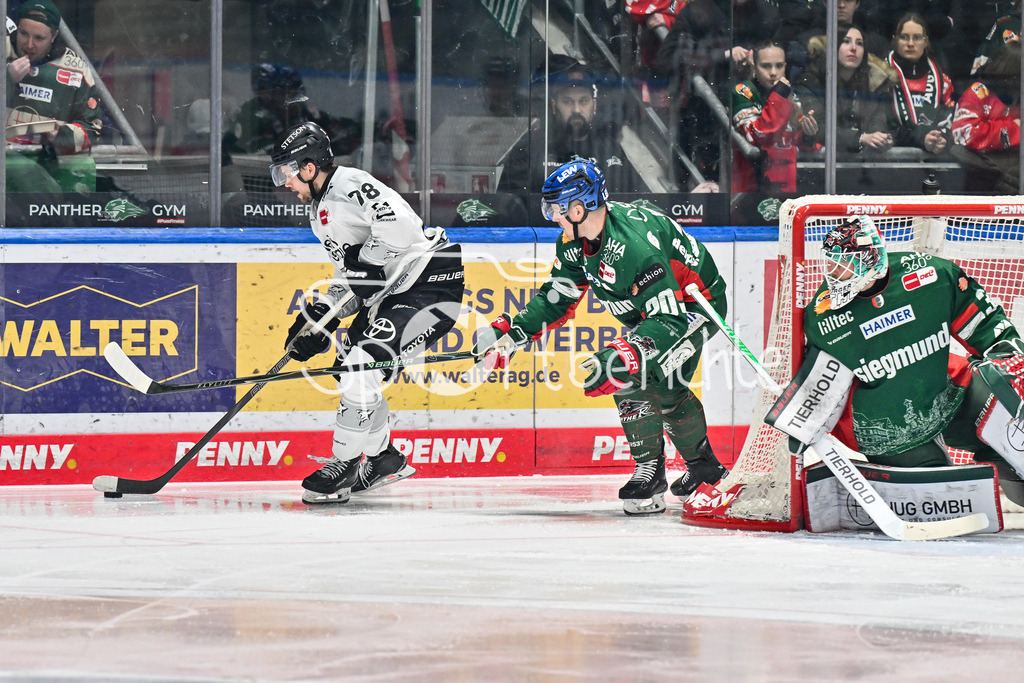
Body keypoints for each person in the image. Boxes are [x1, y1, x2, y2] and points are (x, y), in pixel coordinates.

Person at [473, 159, 730, 516]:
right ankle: (706, 471)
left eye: (557, 210)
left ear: (579, 209)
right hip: (651, 312)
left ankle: (650, 475)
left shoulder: (635, 249)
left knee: (627, 371)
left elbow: (669, 318)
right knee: (665, 386)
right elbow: (558, 298)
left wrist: (628, 353)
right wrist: (513, 335)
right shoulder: (574, 242)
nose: (553, 219)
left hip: (694, 306)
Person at [269, 121, 465, 504]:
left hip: (429, 285)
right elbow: (355, 279)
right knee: (353, 371)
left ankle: (343, 465)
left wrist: (366, 261)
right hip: (390, 295)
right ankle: (383, 458)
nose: (284, 183)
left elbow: (401, 230)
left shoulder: (351, 184)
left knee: (361, 363)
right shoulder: (318, 211)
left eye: (286, 172)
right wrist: (319, 318)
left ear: (309, 168)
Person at [779, 216, 1024, 504]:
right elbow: (821, 383)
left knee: (1006, 397)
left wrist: (1008, 357)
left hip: (946, 392)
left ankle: (1004, 464)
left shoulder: (931, 275)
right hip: (889, 425)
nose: (833, 272)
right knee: (940, 498)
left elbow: (984, 324)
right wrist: (802, 421)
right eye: (831, 263)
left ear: (871, 258)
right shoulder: (823, 318)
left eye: (843, 263)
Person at [5, 0, 103, 193]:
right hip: (6, 158)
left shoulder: (76, 69)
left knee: (82, 168)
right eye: (24, 34)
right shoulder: (3, 51)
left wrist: (60, 134)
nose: (29, 45)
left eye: (39, 38)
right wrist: (6, 79)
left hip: (49, 160)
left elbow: (92, 128)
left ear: (54, 36)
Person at [526, 58, 647, 193]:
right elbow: (511, 204)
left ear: (594, 106)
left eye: (583, 101)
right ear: (554, 107)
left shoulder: (612, 150)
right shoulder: (534, 148)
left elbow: (636, 203)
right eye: (567, 101)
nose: (576, 110)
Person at [795, 24, 895, 157]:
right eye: (846, 42)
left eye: (859, 43)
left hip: (863, 167)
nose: (853, 48)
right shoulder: (812, 80)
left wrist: (880, 138)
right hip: (823, 165)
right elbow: (819, 128)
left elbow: (878, 121)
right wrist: (861, 138)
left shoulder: (874, 81)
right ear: (833, 46)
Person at [732, 40, 818, 193]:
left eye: (779, 66)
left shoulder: (790, 95)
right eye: (766, 66)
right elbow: (758, 134)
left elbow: (795, 140)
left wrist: (808, 135)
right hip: (750, 187)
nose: (773, 72)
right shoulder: (743, 91)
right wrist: (779, 96)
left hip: (786, 184)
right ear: (754, 67)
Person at [224, 63, 358, 157]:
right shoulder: (249, 116)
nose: (294, 99)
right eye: (285, 92)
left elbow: (338, 126)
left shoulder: (301, 112)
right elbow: (252, 154)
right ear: (264, 93)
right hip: (253, 185)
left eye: (295, 92)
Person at [950, 42, 1021, 193]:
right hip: (983, 178)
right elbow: (963, 134)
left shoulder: (1019, 96)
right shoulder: (978, 92)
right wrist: (1014, 130)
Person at [886, 12, 956, 155]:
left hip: (933, 162)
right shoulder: (881, 77)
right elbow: (883, 126)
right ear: (895, 40)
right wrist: (921, 138)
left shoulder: (943, 81)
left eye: (917, 38)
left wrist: (942, 140)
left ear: (926, 42)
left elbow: (951, 121)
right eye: (904, 37)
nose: (910, 43)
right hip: (893, 162)